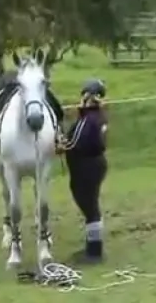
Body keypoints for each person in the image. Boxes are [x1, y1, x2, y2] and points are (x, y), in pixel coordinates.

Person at [57, 79, 108, 263]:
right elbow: (74, 138)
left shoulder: (89, 119)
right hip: (88, 166)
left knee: (90, 207)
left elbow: (75, 142)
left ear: (87, 96)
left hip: (87, 167)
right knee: (89, 207)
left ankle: (94, 252)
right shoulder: (92, 117)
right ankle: (92, 247)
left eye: (84, 94)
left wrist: (62, 146)